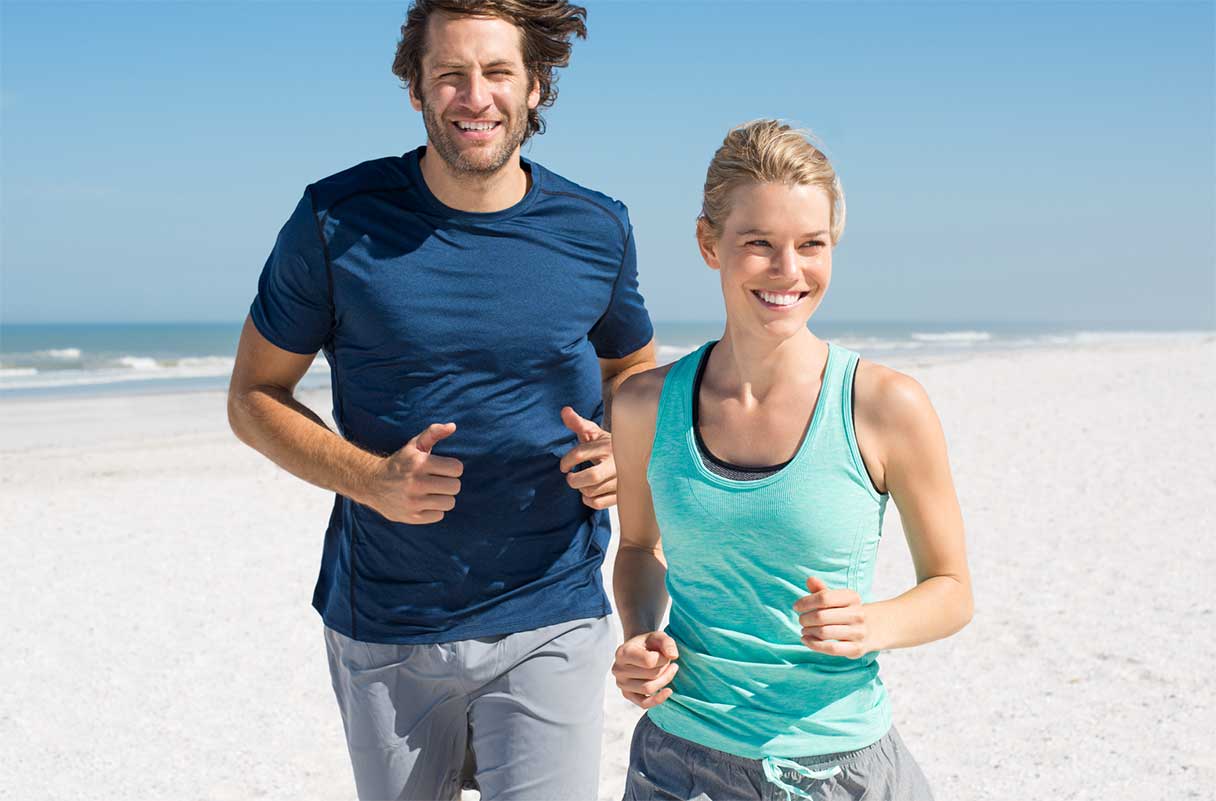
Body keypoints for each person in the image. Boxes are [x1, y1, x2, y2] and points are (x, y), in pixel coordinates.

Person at [226, 2, 656, 799]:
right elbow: (253, 395)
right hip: (386, 621)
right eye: (450, 75)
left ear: (536, 88)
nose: (474, 96)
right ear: (416, 89)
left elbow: (632, 371)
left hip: (550, 607)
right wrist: (368, 477)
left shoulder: (597, 229)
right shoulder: (335, 220)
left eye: (497, 73)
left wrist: (621, 455)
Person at [609, 120, 973, 801]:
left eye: (812, 245)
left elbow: (952, 588)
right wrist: (638, 637)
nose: (788, 271)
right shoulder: (643, 405)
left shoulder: (886, 404)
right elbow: (637, 546)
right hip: (677, 762)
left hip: (836, 766)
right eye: (760, 245)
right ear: (708, 243)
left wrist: (873, 622)